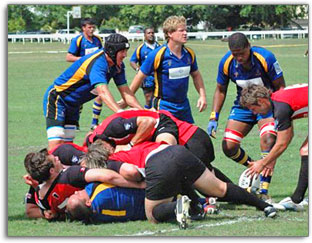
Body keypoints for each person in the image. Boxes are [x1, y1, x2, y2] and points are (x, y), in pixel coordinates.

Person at [85, 139, 277, 228]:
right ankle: (265, 206)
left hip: (158, 164)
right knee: (220, 188)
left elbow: (130, 171)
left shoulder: (112, 160)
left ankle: (178, 206)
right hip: (177, 151)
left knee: (152, 214)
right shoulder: (128, 147)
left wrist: (141, 180)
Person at [206, 32, 286, 201]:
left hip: (267, 106)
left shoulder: (266, 58)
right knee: (228, 146)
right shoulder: (227, 62)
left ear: (249, 46)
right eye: (235, 54)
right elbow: (221, 89)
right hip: (243, 106)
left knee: (268, 139)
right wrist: (214, 117)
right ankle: (253, 169)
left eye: (242, 53)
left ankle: (263, 190)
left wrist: (280, 112)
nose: (239, 57)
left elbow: (280, 87)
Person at [43, 33, 143, 151]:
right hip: (58, 98)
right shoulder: (98, 62)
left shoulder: (118, 66)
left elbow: (126, 92)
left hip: (74, 104)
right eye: (122, 51)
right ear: (112, 51)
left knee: (67, 145)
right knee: (57, 143)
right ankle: (47, 168)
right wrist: (120, 112)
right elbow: (103, 92)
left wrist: (143, 111)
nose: (125, 55)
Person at [124, 16, 207, 124]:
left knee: (189, 138)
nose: (185, 33)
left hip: (184, 106)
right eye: (181, 30)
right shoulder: (158, 54)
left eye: (186, 30)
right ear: (169, 33)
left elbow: (196, 75)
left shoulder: (189, 54)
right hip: (164, 105)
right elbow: (139, 76)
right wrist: (128, 98)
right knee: (166, 138)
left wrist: (202, 96)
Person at [23, 148, 145, 220]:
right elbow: (108, 176)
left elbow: (39, 212)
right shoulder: (70, 175)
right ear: (51, 171)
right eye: (54, 159)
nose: (57, 157)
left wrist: (54, 215)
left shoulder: (41, 196)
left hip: (89, 210)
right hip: (113, 194)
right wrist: (139, 185)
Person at [240, 83, 308, 211]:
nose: (254, 113)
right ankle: (297, 198)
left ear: (261, 101)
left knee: (306, 150)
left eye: (253, 109)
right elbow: (288, 135)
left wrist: (263, 163)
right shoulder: (278, 99)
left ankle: (296, 199)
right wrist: (270, 161)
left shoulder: (280, 108)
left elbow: (282, 142)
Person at [65, 18, 103, 130]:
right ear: (83, 28)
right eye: (89, 27)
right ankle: (75, 121)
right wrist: (84, 60)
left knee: (100, 94)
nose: (92, 30)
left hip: (95, 73)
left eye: (93, 27)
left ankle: (94, 122)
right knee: (79, 99)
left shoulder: (97, 40)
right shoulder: (78, 40)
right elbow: (68, 57)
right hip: (81, 74)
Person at [66, 182, 146, 223]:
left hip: (145, 212)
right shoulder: (100, 192)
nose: (76, 191)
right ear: (88, 202)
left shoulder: (95, 217)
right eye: (78, 195)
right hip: (145, 191)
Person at [129, 27, 160, 109]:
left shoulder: (160, 47)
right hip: (147, 78)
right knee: (149, 99)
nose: (151, 35)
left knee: (159, 99)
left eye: (152, 33)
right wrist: (138, 70)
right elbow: (132, 61)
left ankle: (158, 118)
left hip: (159, 77)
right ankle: (147, 117)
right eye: (148, 33)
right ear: (144, 35)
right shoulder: (140, 49)